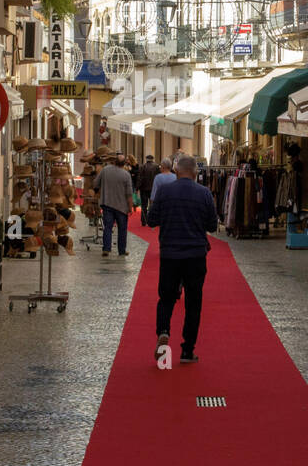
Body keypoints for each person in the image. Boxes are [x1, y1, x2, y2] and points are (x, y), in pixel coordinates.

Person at [146, 154, 218, 365]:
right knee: (193, 303)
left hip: (170, 254)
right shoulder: (204, 193)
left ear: (176, 171)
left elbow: (152, 220)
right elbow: (212, 225)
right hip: (195, 255)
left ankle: (164, 331)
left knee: (166, 298)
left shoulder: (165, 191)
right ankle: (187, 351)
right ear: (196, 173)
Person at [93, 156, 135, 257]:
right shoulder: (126, 175)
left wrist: (99, 190)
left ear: (115, 161)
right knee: (122, 229)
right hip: (121, 206)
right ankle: (121, 250)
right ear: (124, 163)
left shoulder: (105, 170)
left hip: (107, 203)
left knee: (107, 227)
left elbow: (95, 183)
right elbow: (129, 193)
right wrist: (130, 207)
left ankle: (106, 249)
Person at [138, 154, 160, 219]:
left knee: (144, 205)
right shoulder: (156, 167)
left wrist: (137, 187)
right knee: (152, 204)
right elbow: (158, 177)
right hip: (153, 188)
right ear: (152, 159)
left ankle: (143, 220)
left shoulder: (142, 166)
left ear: (146, 159)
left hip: (144, 189)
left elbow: (140, 178)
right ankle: (152, 218)